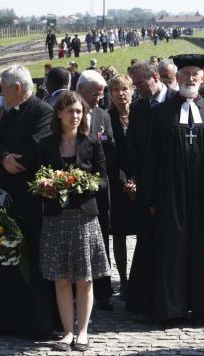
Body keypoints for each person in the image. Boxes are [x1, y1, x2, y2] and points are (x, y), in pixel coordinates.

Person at [142, 54, 204, 326]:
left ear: (203, 78)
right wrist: (150, 195)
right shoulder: (160, 113)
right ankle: (171, 308)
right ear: (176, 77)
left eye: (195, 74)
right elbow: (151, 157)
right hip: (170, 194)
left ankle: (201, 308)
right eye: (185, 73)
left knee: (203, 248)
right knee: (172, 249)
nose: (190, 78)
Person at [37, 91, 110, 352]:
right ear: (59, 113)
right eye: (70, 111)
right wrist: (45, 186)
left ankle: (83, 332)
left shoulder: (92, 142)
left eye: (79, 111)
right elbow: (37, 180)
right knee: (62, 278)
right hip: (56, 219)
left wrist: (82, 184)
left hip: (83, 219)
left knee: (85, 279)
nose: (75, 116)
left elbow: (103, 179)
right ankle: (67, 332)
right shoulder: (46, 144)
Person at [0, 65, 56, 336]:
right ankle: (8, 318)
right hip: (7, 200)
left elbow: (35, 148)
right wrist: (3, 157)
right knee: (6, 259)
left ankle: (36, 321)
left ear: (16, 88)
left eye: (4, 90)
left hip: (31, 201)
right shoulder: (10, 113)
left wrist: (10, 160)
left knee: (31, 261)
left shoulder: (42, 111)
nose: (1, 95)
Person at [125, 61, 177, 315]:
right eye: (134, 85)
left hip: (174, 187)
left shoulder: (178, 102)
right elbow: (132, 146)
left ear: (155, 77)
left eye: (140, 84)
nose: (137, 90)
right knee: (148, 244)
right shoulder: (138, 108)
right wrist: (133, 177)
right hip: (147, 189)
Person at [76, 70, 115, 311]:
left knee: (101, 241)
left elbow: (110, 142)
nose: (98, 100)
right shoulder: (70, 111)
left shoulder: (102, 114)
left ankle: (103, 290)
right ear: (80, 89)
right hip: (76, 189)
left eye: (101, 95)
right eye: (94, 94)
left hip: (99, 189)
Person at [106, 74, 137, 301]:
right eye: (115, 90)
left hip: (140, 183)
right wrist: (124, 181)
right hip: (117, 185)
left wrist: (136, 180)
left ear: (132, 91)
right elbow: (108, 157)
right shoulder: (106, 119)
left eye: (124, 89)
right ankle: (124, 281)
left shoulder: (141, 115)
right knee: (118, 234)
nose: (120, 93)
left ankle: (139, 279)